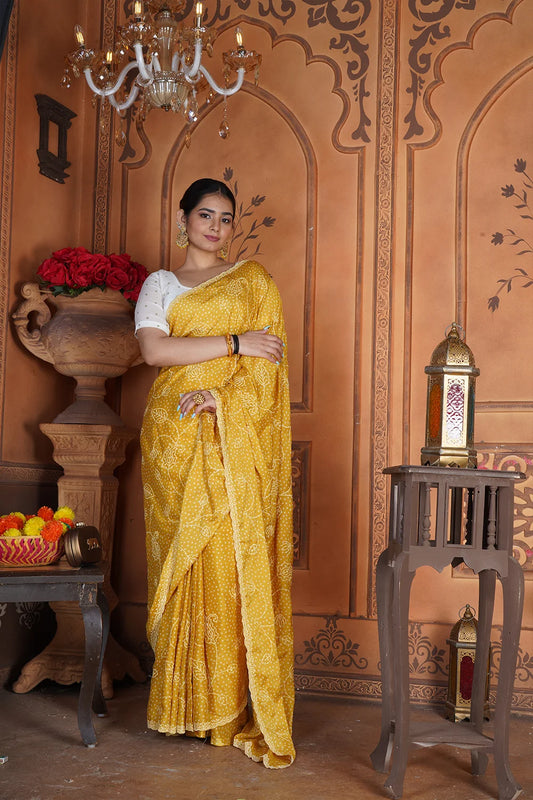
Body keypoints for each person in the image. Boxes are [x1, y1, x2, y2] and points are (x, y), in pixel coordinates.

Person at [135, 178, 295, 769]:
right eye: (206, 215)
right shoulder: (160, 285)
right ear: (183, 220)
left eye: (227, 219)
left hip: (230, 435)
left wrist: (224, 404)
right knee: (186, 558)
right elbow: (154, 352)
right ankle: (182, 704)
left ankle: (227, 706)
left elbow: (269, 364)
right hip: (173, 436)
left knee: (226, 561)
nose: (217, 228)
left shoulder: (255, 284)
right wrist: (233, 342)